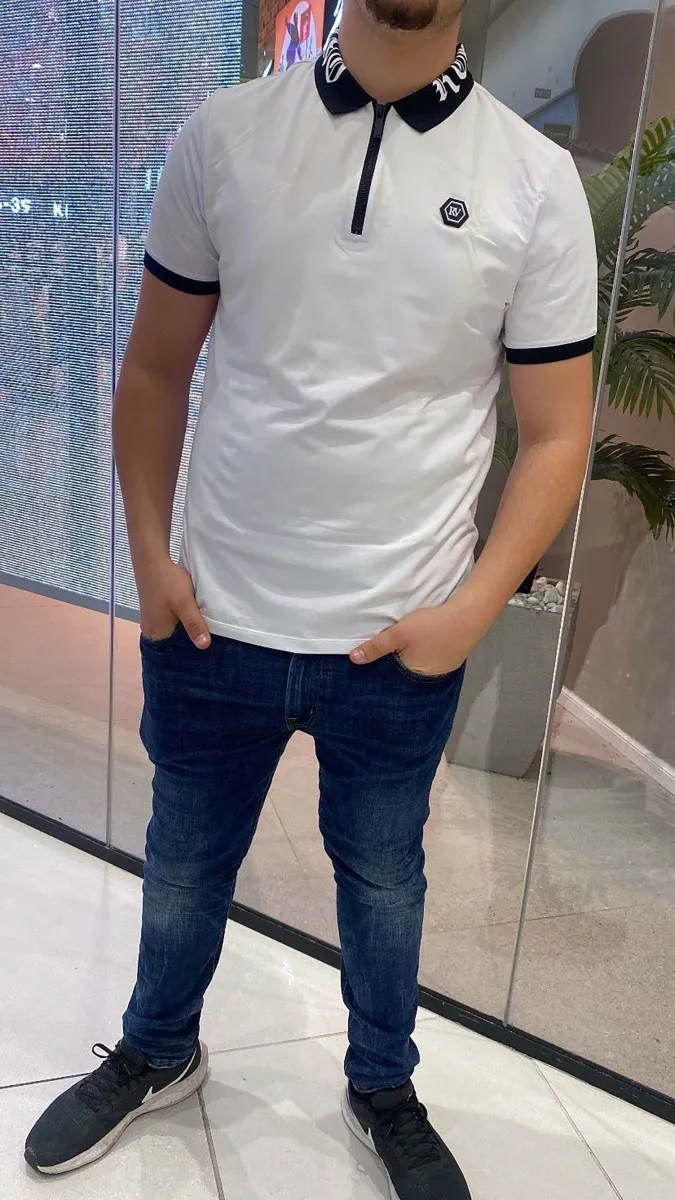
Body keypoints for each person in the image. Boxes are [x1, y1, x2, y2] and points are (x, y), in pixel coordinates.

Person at [24, 0, 597, 1192]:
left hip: (399, 637)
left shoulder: (534, 183)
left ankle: (383, 1085)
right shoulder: (224, 135)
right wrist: (151, 562)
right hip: (215, 616)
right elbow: (154, 368)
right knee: (183, 866)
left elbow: (556, 435)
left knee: (384, 885)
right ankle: (157, 1051)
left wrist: (471, 612)